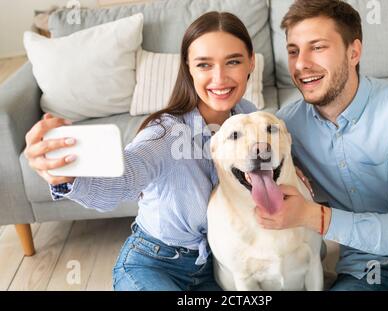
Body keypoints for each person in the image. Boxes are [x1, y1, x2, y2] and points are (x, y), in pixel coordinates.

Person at [24, 11, 259, 291]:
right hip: (153, 264)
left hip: (216, 267)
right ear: (188, 68)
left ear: (251, 62)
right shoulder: (164, 133)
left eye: (232, 61)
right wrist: (67, 176)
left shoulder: (250, 117)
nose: (219, 78)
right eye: (204, 65)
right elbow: (125, 177)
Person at [254, 0, 388, 291]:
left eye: (317, 47)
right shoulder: (285, 129)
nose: (301, 64)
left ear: (353, 52)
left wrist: (312, 216)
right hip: (365, 272)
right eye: (293, 51)